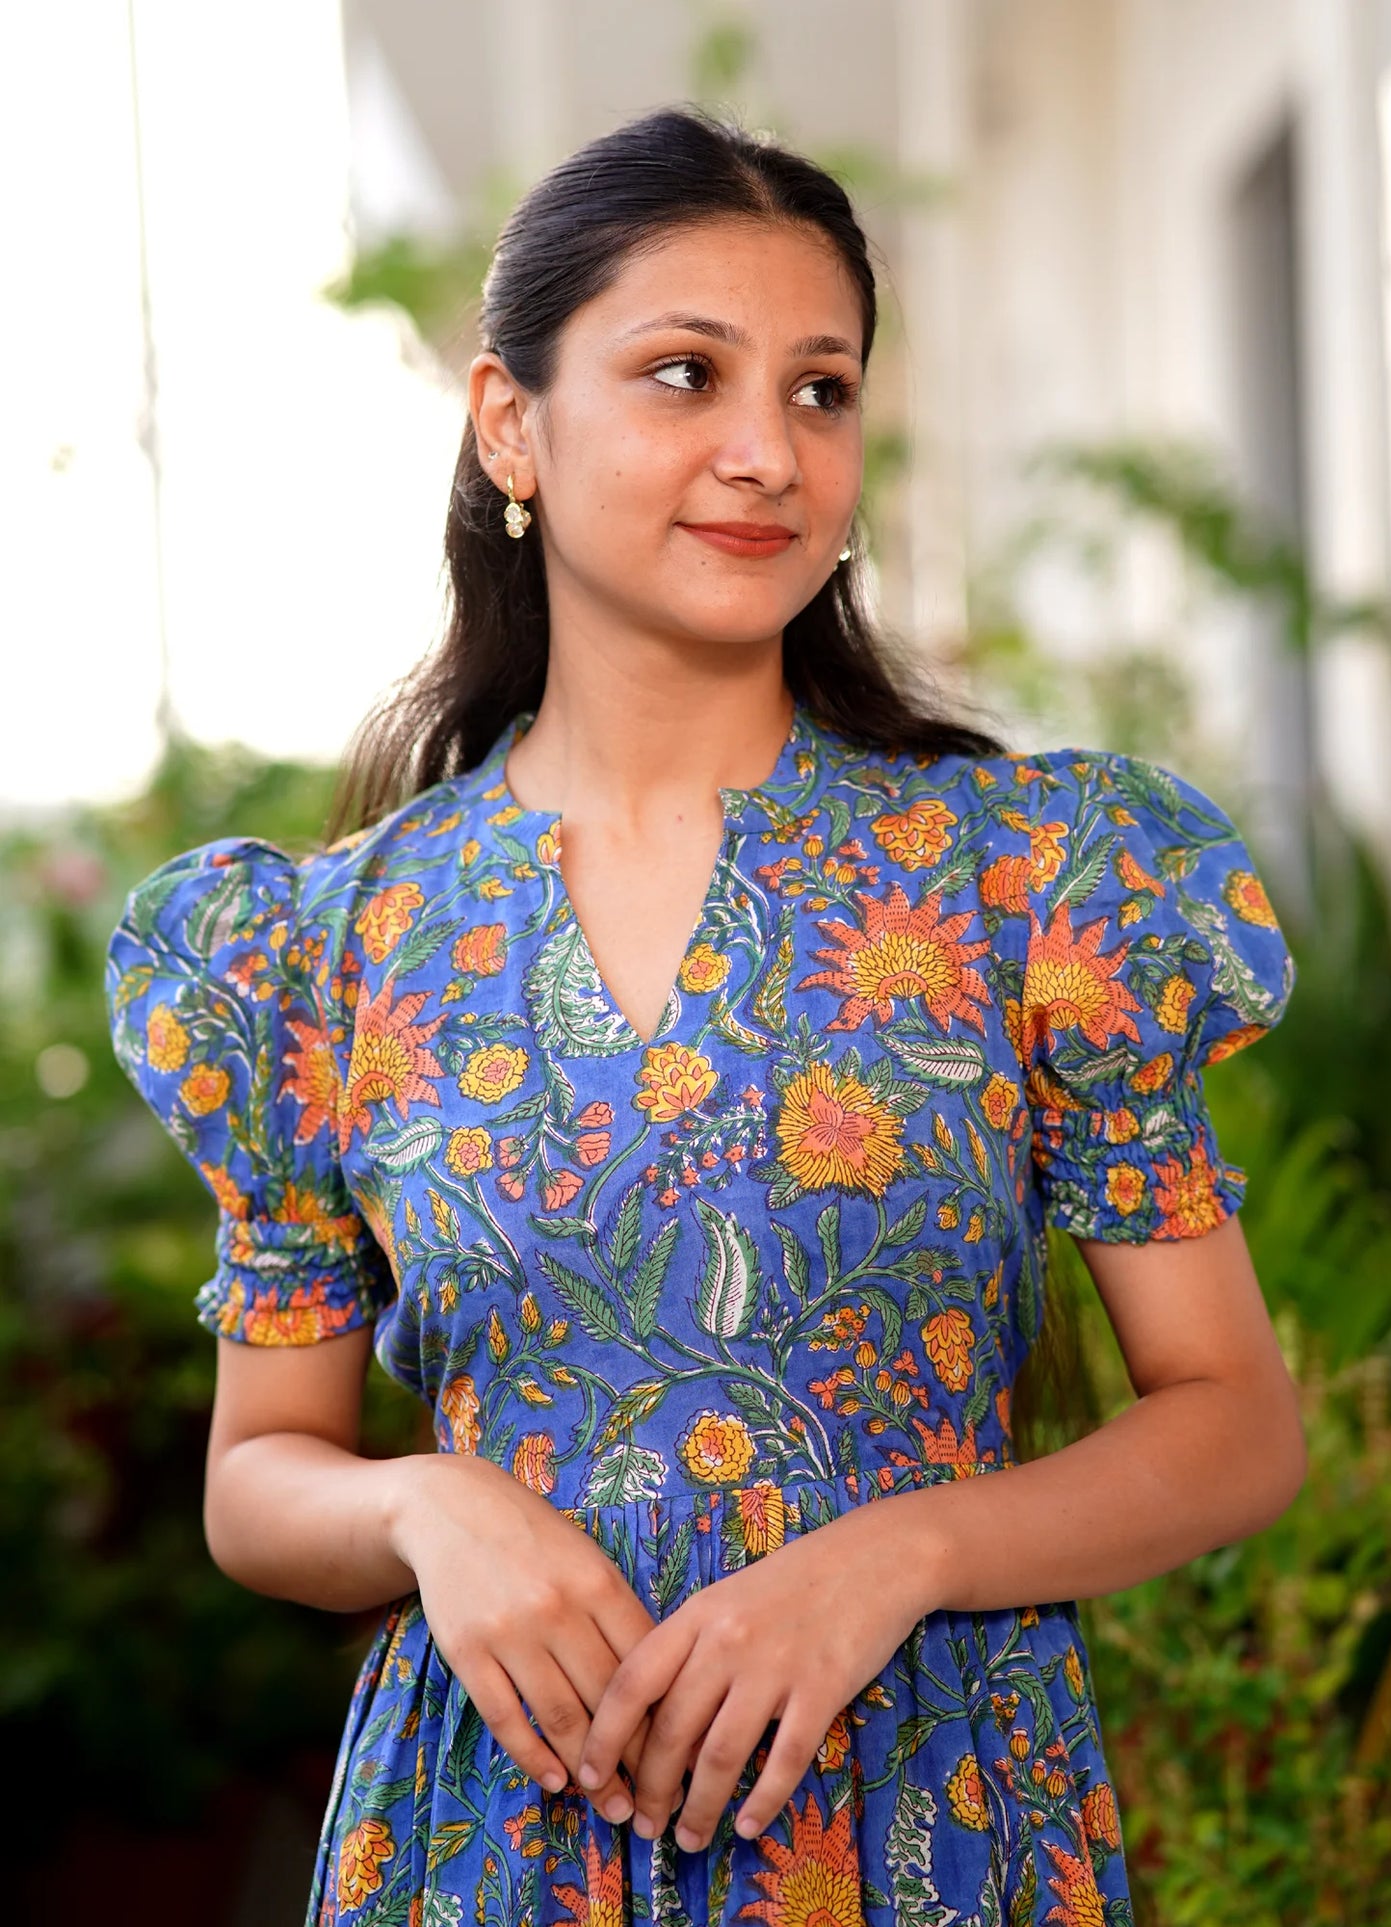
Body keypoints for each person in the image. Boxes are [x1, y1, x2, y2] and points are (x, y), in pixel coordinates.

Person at [105, 105, 1303, 1927]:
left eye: (821, 391)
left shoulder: (1031, 883)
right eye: (685, 374)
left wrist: (902, 1556)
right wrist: (426, 1510)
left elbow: (1231, 1421)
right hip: (493, 1840)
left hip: (931, 1819)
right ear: (509, 423)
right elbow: (259, 1477)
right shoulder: (325, 949)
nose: (767, 451)